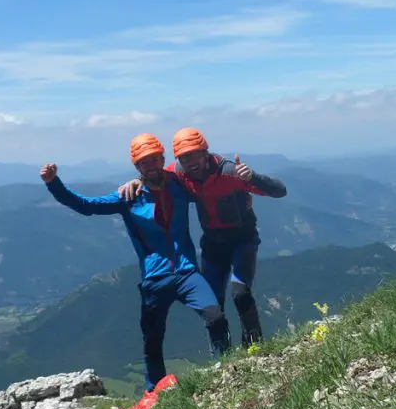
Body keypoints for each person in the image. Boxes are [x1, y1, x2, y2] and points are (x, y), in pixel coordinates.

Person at [40, 133, 232, 398]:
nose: (150, 166)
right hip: (155, 280)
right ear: (137, 167)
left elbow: (205, 178)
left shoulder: (179, 183)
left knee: (216, 317)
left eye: (154, 160)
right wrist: (54, 184)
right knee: (152, 342)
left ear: (163, 160)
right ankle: (154, 394)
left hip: (187, 272)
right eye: (144, 163)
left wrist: (237, 172)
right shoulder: (129, 197)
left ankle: (225, 370)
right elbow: (86, 206)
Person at [120, 128, 287, 346]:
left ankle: (255, 347)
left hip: (242, 241)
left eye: (194, 154)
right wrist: (136, 181)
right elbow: (155, 175)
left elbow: (280, 191)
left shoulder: (230, 172)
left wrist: (253, 177)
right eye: (184, 157)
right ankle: (222, 356)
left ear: (205, 152)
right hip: (212, 245)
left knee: (240, 293)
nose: (190, 162)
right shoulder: (179, 174)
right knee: (213, 307)